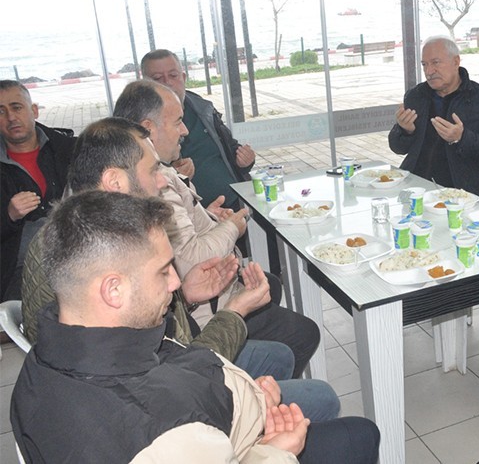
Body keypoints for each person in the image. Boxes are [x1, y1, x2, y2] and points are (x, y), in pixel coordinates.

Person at [12, 191, 380, 463]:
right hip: (236, 443)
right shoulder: (163, 434)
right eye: (163, 272)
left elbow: (176, 372)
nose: (175, 282)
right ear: (113, 289)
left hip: (223, 419)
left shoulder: (42, 364)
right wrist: (273, 451)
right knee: (360, 434)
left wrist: (251, 400)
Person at [21, 117, 340, 422]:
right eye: (153, 170)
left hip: (160, 382)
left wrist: (185, 296)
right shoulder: (105, 253)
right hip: (168, 403)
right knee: (322, 396)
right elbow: (181, 373)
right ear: (115, 182)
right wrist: (234, 312)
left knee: (281, 356)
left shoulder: (74, 230)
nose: (162, 180)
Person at [113, 80, 321, 379]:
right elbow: (192, 259)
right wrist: (231, 227)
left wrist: (210, 217)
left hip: (190, 304)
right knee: (303, 332)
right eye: (178, 122)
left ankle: (258, 374)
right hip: (197, 317)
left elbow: (182, 236)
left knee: (271, 284)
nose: (185, 130)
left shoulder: (144, 169)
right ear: (149, 128)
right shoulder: (151, 181)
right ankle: (258, 391)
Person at [388, 36, 479, 204]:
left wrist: (462, 137)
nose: (429, 71)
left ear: (456, 61)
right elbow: (397, 148)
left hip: (464, 194)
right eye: (424, 64)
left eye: (436, 62)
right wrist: (405, 131)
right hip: (417, 188)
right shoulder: (416, 96)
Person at [141, 49, 255, 211]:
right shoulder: (137, 125)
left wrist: (244, 161)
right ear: (144, 84)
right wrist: (173, 176)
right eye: (158, 78)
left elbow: (229, 148)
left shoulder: (202, 108)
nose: (167, 82)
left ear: (183, 78)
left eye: (173, 75)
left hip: (233, 204)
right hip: (188, 215)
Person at [0, 80, 75, 301]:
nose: (11, 117)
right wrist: (8, 215)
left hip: (78, 256)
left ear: (34, 110)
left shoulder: (69, 149)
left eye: (17, 107)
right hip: (19, 272)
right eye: (1, 112)